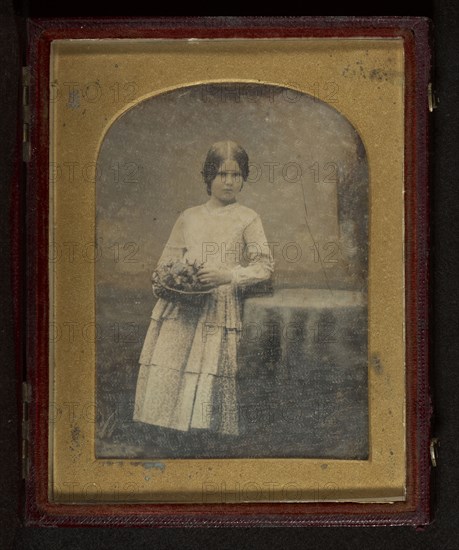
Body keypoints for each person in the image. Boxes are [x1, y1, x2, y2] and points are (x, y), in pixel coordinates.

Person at [133, 141, 273, 435]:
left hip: (218, 304)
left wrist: (227, 276)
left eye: (236, 175)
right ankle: (166, 433)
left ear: (244, 178)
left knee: (209, 371)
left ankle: (205, 438)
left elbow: (264, 267)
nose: (229, 181)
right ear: (209, 177)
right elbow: (166, 263)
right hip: (182, 304)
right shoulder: (189, 216)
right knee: (172, 365)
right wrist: (175, 278)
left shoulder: (248, 218)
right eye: (222, 174)